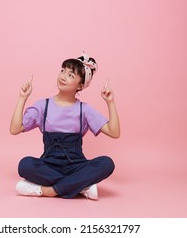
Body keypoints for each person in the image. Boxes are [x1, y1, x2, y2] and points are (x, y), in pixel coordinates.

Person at [10, 52, 120, 200]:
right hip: (49, 165)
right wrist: (23, 97)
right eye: (63, 71)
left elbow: (114, 132)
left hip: (76, 165)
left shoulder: (84, 109)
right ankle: (81, 187)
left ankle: (47, 190)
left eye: (71, 75)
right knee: (25, 164)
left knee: (107, 163)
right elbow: (15, 129)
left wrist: (110, 102)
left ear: (80, 85)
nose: (63, 76)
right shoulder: (44, 105)